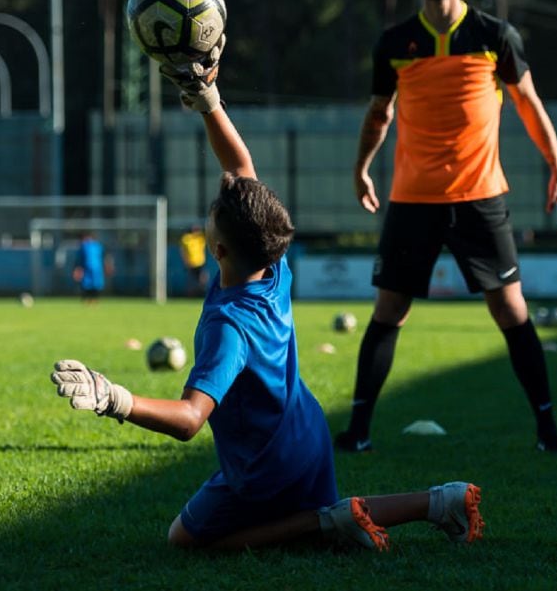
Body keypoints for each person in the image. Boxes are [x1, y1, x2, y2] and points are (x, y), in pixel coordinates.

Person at [50, 39, 484, 551]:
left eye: (213, 210)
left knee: (186, 541)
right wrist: (207, 98)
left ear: (218, 250)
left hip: (265, 464)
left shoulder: (227, 326)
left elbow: (191, 420)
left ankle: (327, 524)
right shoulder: (272, 266)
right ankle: (440, 501)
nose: (216, 197)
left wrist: (112, 398)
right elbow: (240, 166)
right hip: (306, 436)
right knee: (318, 509)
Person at [335, 0, 557, 456]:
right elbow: (380, 114)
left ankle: (547, 429)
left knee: (511, 310)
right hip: (412, 200)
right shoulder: (394, 44)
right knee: (389, 310)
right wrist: (361, 168)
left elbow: (528, 104)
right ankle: (357, 431)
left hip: (480, 196)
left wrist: (556, 163)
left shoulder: (495, 36)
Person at [72, 232, 112, 303]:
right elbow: (79, 259)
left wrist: (107, 267)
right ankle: (87, 300)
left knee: (96, 284)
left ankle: (94, 300)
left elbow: (105, 257)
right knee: (87, 284)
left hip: (97, 270)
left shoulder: (98, 246)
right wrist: (77, 269)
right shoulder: (84, 247)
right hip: (87, 270)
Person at [179, 224, 209, 296]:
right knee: (191, 280)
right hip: (191, 263)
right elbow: (183, 251)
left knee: (203, 278)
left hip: (200, 262)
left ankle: (202, 292)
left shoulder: (200, 238)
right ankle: (189, 294)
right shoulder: (186, 239)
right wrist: (185, 261)